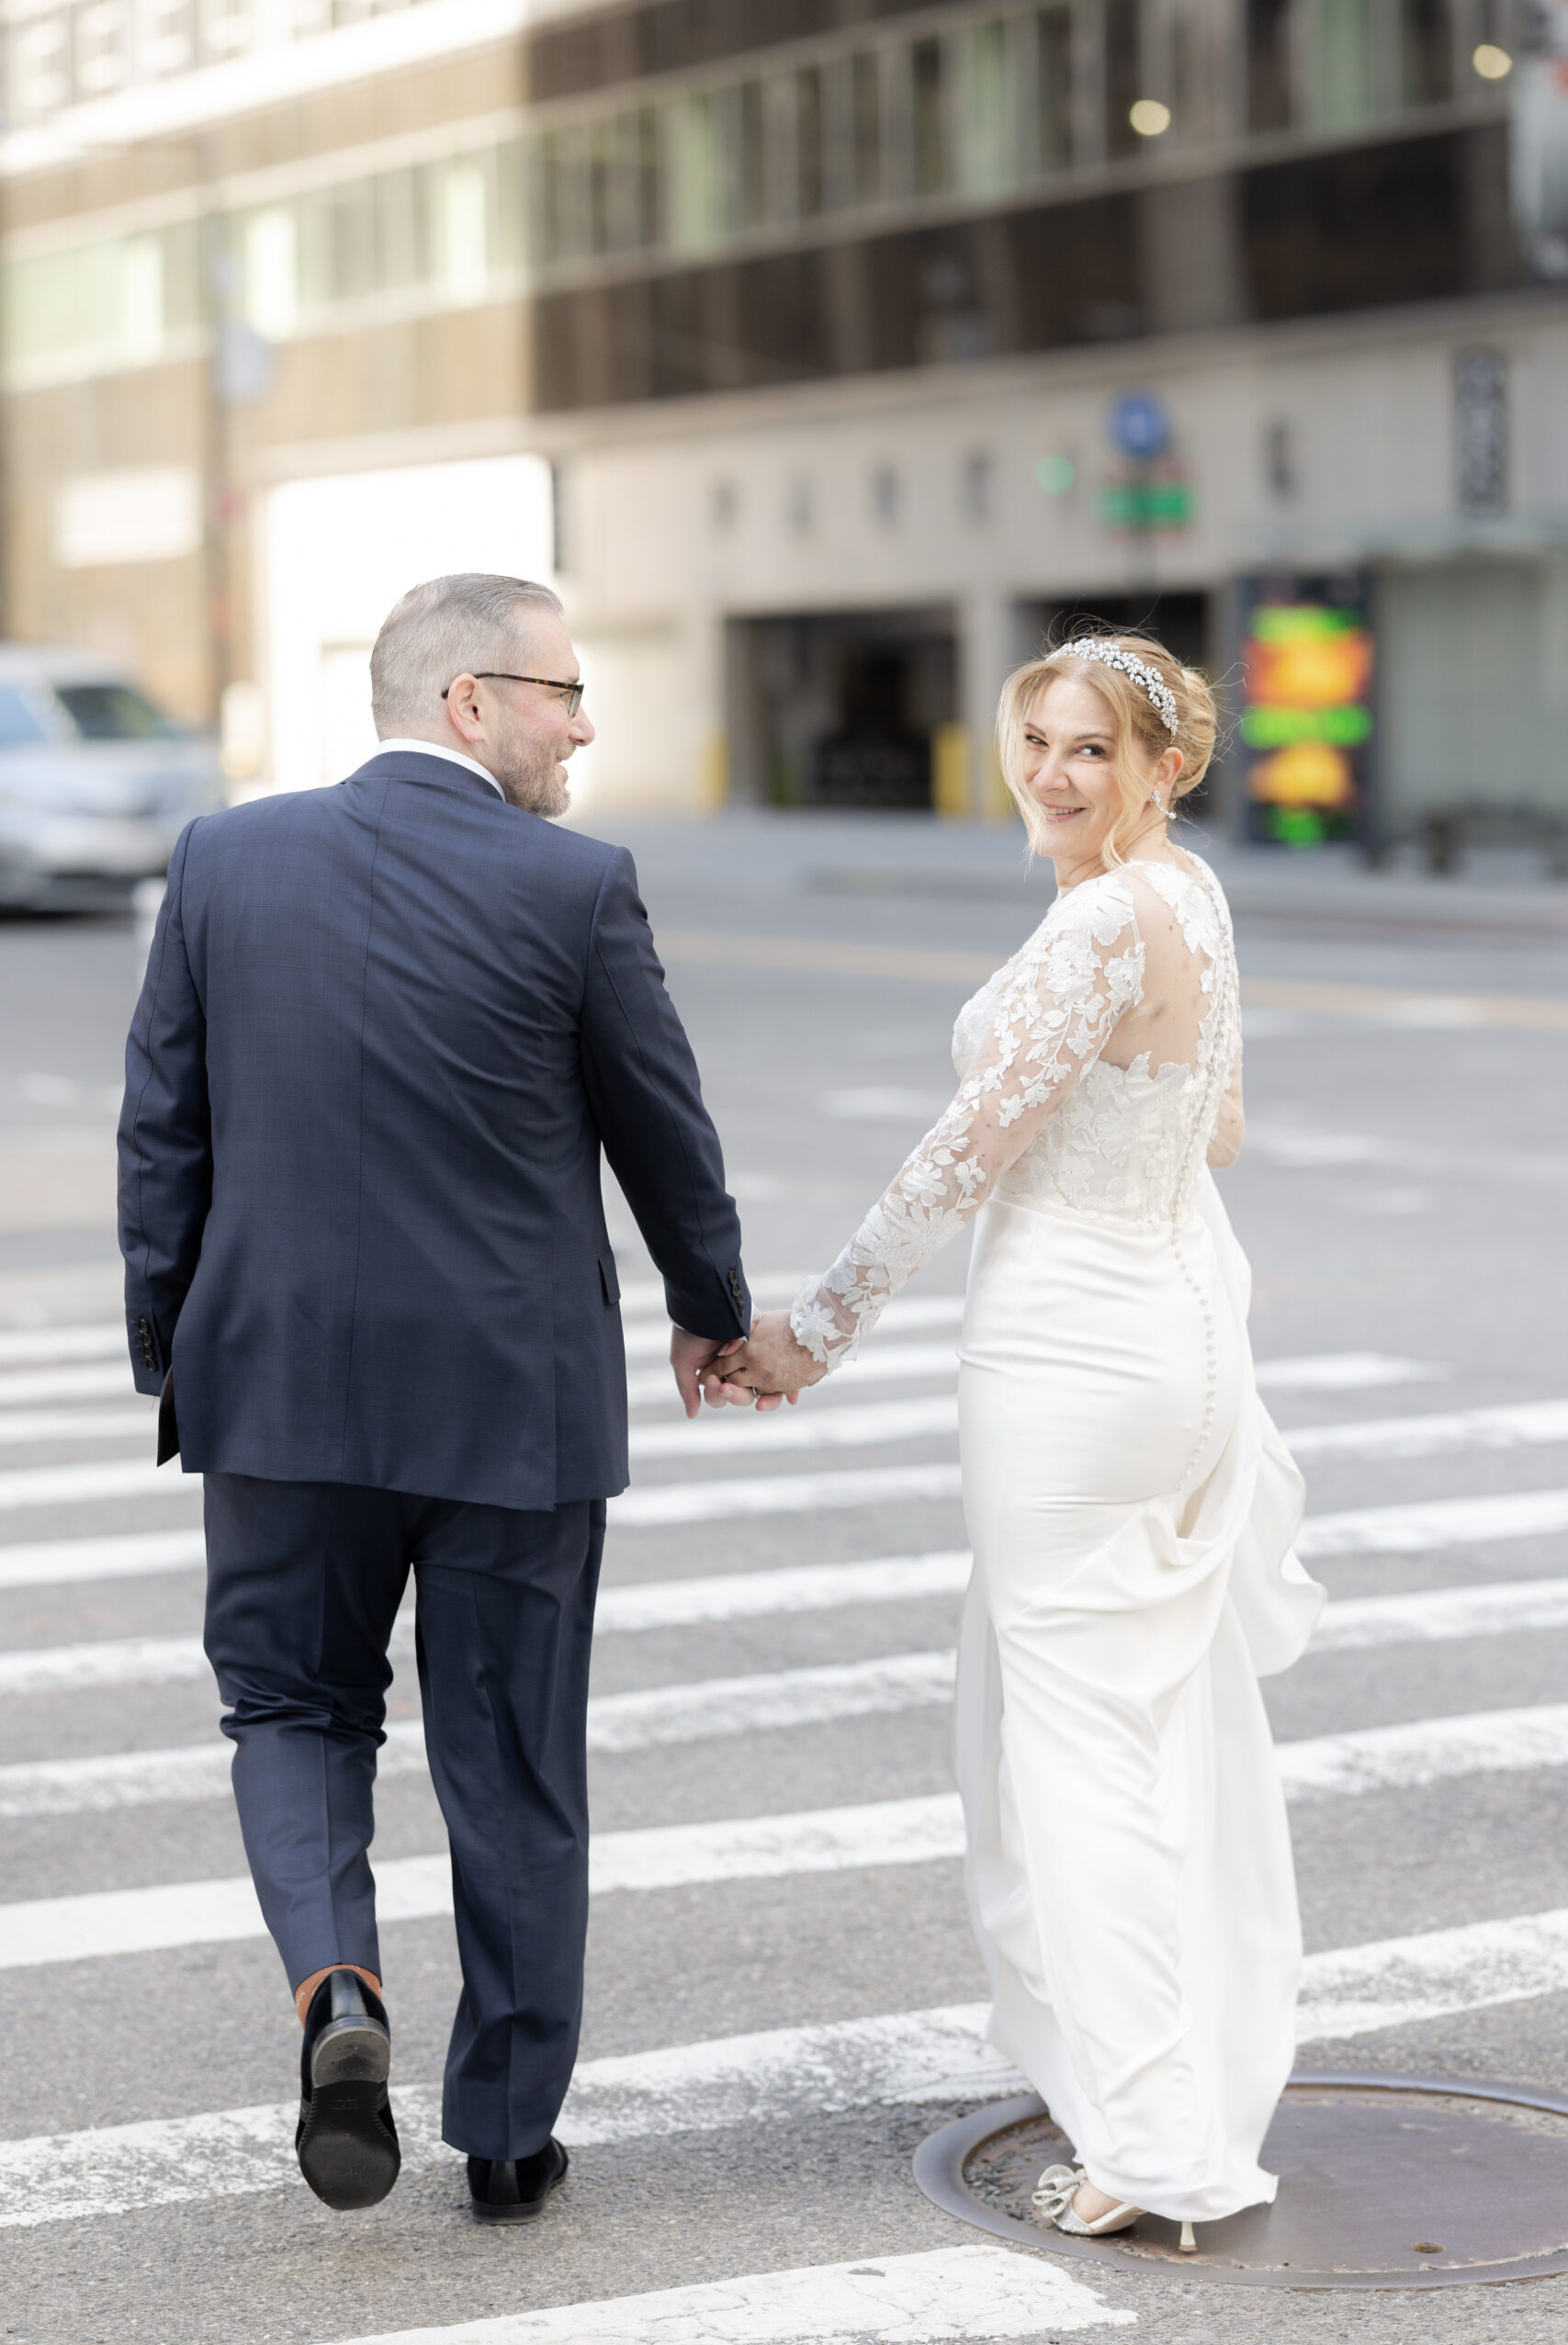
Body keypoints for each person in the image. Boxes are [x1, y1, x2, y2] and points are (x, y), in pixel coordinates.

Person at [118, 573, 760, 2223]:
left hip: (277, 1396)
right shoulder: (574, 886)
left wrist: (175, 1350)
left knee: (288, 1711)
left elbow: (163, 1138)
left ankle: (335, 1989)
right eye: (561, 692)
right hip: (509, 1406)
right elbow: (662, 1133)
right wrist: (713, 1312)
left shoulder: (221, 861)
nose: (584, 723)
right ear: (470, 700)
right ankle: (504, 2135)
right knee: (512, 1762)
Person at [721, 631, 1325, 2246]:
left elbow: (961, 1155)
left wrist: (813, 1332)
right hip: (1182, 1338)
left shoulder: (1104, 925)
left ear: (1161, 770)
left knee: (1073, 1755)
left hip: (1072, 1359)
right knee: (1146, 1726)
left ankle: (1143, 2140)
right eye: (1037, 741)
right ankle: (1162, 2070)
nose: (1052, 775)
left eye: (1091, 753)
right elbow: (1224, 1125)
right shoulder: (1187, 895)